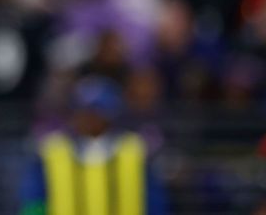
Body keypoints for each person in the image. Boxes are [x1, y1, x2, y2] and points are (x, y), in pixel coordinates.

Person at [19, 76, 166, 215]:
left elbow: (155, 203)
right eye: (84, 111)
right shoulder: (53, 151)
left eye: (96, 113)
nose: (89, 119)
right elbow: (34, 203)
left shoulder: (133, 150)